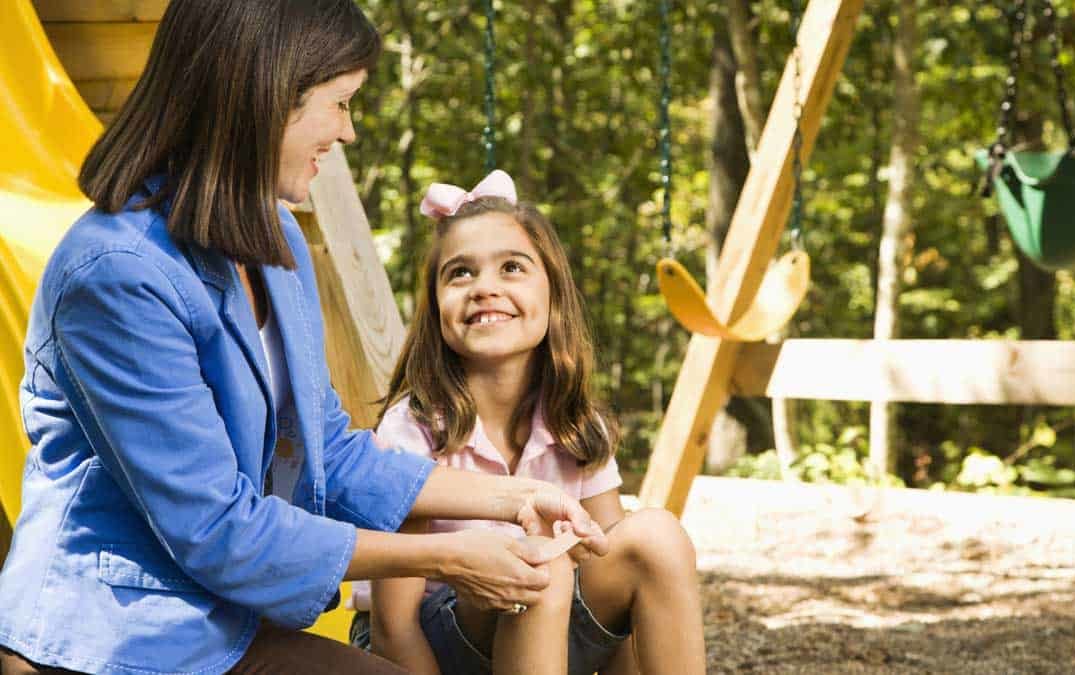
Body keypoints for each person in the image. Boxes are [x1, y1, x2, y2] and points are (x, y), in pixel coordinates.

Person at [0, 2, 606, 673]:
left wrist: (516, 496)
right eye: (339, 102)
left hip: (217, 627)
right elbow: (216, 529)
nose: (347, 131)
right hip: (109, 641)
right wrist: (448, 555)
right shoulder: (116, 277)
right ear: (268, 96)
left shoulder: (274, 236)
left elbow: (332, 452)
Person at [357, 171, 707, 675]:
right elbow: (394, 628)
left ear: (553, 295)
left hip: (546, 627)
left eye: (512, 268)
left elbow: (611, 566)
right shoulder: (414, 430)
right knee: (539, 563)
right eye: (460, 274)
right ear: (435, 308)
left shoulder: (576, 423)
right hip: (426, 648)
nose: (485, 288)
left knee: (655, 537)